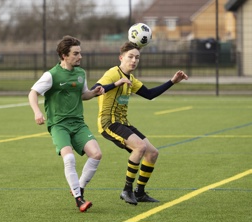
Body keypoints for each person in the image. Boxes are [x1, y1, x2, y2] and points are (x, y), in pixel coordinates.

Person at [91, 42, 188, 205]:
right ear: (121, 58)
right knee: (140, 147)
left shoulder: (131, 78)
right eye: (130, 57)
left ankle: (140, 192)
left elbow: (149, 94)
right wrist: (116, 83)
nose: (134, 60)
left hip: (123, 122)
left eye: (137, 57)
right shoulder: (113, 73)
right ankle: (127, 190)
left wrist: (172, 81)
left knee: (152, 153)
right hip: (109, 123)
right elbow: (95, 89)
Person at [28, 36, 104, 212]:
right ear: (64, 55)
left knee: (96, 154)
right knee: (69, 158)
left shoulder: (80, 73)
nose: (80, 57)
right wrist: (37, 112)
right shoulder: (51, 75)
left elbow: (83, 94)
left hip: (78, 123)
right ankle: (79, 199)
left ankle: (79, 187)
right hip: (59, 125)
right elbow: (32, 93)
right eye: (76, 54)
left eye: (80, 53)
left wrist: (94, 93)